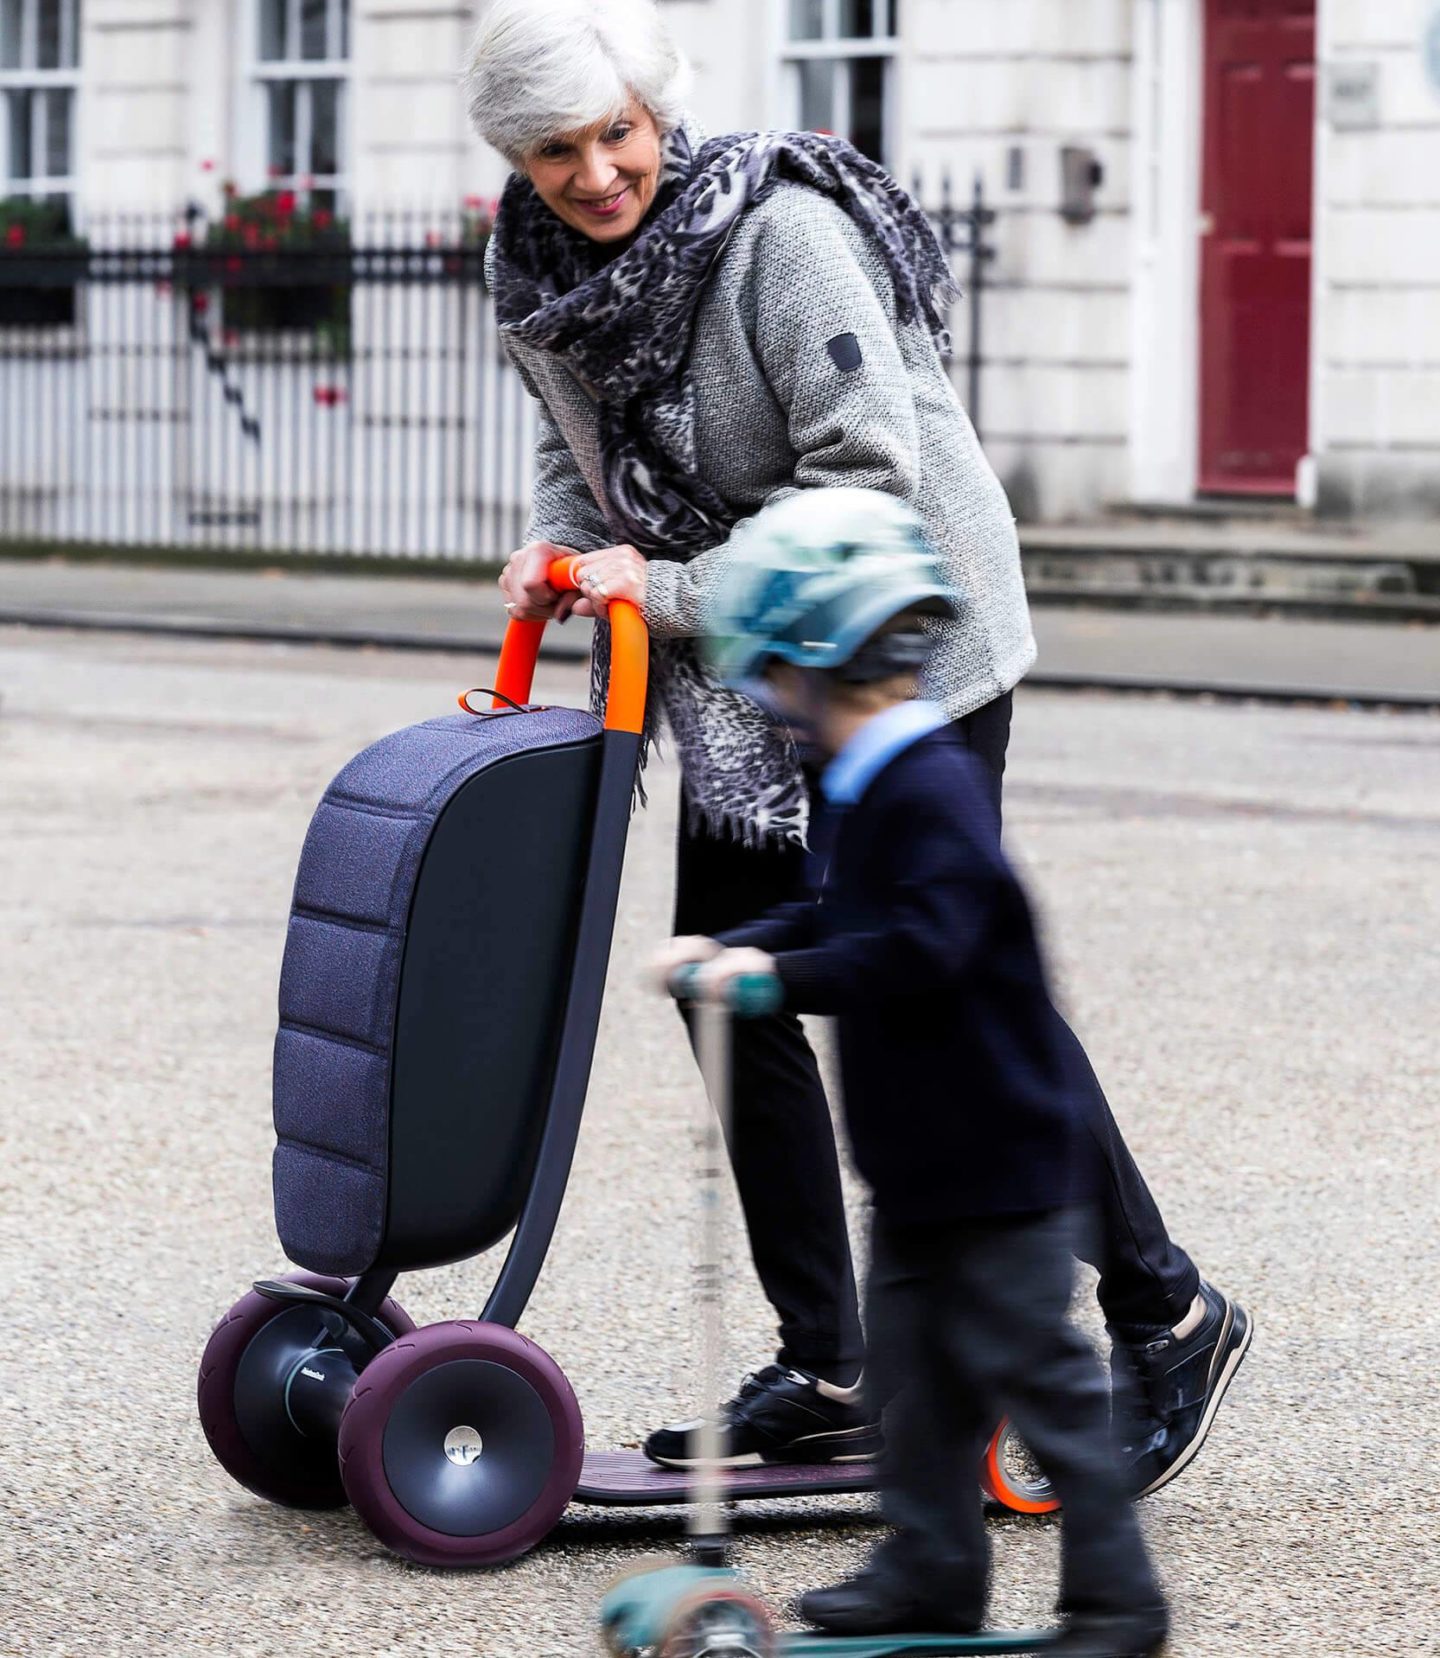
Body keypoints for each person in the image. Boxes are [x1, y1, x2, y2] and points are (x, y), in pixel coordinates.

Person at [464, 0, 1250, 1495]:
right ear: (517, 153)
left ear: (658, 108)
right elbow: (574, 458)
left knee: (945, 984)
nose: (597, 173)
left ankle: (1168, 1308)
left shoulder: (777, 236)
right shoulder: (538, 264)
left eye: (617, 131)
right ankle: (832, 1364)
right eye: (558, 149)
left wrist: (666, 588)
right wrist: (557, 549)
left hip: (901, 644)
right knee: (731, 986)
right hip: (741, 675)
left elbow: (871, 485)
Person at [661, 487, 1170, 1655]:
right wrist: (742, 944)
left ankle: (1117, 1602)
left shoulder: (930, 790)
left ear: (827, 665)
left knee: (1041, 1377)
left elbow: (921, 948)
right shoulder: (855, 785)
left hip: (1003, 1166)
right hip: (922, 1167)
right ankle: (932, 1569)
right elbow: (826, 909)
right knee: (916, 1385)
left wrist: (772, 985)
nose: (769, 708)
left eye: (776, 680)